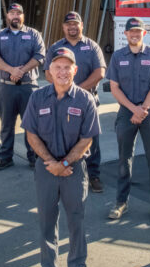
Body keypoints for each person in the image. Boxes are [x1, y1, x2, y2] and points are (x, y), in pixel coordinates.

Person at [22, 47, 100, 267]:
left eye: (68, 67)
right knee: (47, 221)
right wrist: (51, 163)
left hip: (74, 170)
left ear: (75, 70)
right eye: (58, 67)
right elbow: (31, 134)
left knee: (76, 222)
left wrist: (64, 163)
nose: (63, 72)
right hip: (46, 169)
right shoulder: (37, 98)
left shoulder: (85, 99)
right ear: (49, 71)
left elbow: (87, 139)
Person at [106, 17, 150, 222]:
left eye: (138, 31)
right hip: (126, 112)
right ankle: (121, 202)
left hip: (149, 112)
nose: (134, 34)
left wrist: (144, 109)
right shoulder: (117, 56)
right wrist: (134, 109)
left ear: (144, 33)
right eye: (131, 31)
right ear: (125, 34)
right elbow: (114, 87)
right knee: (125, 159)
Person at [44, 11, 107, 192]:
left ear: (81, 26)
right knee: (65, 136)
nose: (72, 27)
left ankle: (93, 175)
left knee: (90, 138)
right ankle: (65, 168)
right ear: (63, 27)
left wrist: (77, 91)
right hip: (61, 100)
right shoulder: (56, 47)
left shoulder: (92, 46)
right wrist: (65, 89)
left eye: (75, 24)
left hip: (87, 99)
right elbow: (48, 73)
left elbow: (100, 73)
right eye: (68, 24)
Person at [0, 3, 46, 171]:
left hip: (28, 87)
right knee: (6, 125)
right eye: (12, 13)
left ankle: (34, 157)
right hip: (6, 88)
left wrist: (21, 71)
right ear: (7, 16)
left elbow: (40, 55)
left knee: (31, 125)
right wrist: (11, 70)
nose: (15, 16)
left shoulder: (33, 34)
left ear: (23, 16)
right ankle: (5, 158)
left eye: (18, 13)